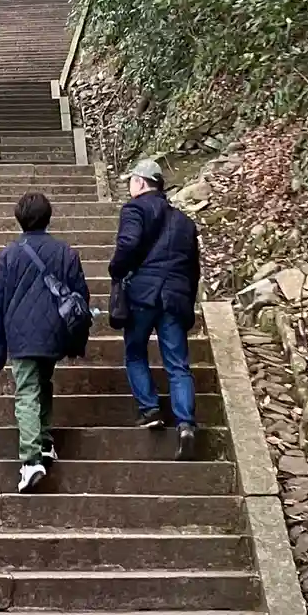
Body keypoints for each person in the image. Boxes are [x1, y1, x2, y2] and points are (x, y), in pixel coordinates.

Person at [0, 191, 92, 494]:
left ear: (19, 219)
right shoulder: (65, 253)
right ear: (48, 217)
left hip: (21, 336)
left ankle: (31, 460)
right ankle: (45, 442)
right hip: (53, 332)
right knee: (43, 383)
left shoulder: (8, 256)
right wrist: (75, 340)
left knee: (27, 392)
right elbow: (80, 298)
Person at [108, 156, 201, 458]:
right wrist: (187, 301)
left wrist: (116, 270)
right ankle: (185, 424)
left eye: (132, 182)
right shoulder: (185, 222)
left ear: (139, 183)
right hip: (175, 297)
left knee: (135, 352)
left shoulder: (135, 209)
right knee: (178, 364)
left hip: (143, 295)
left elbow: (128, 245)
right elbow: (193, 269)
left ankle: (150, 409)